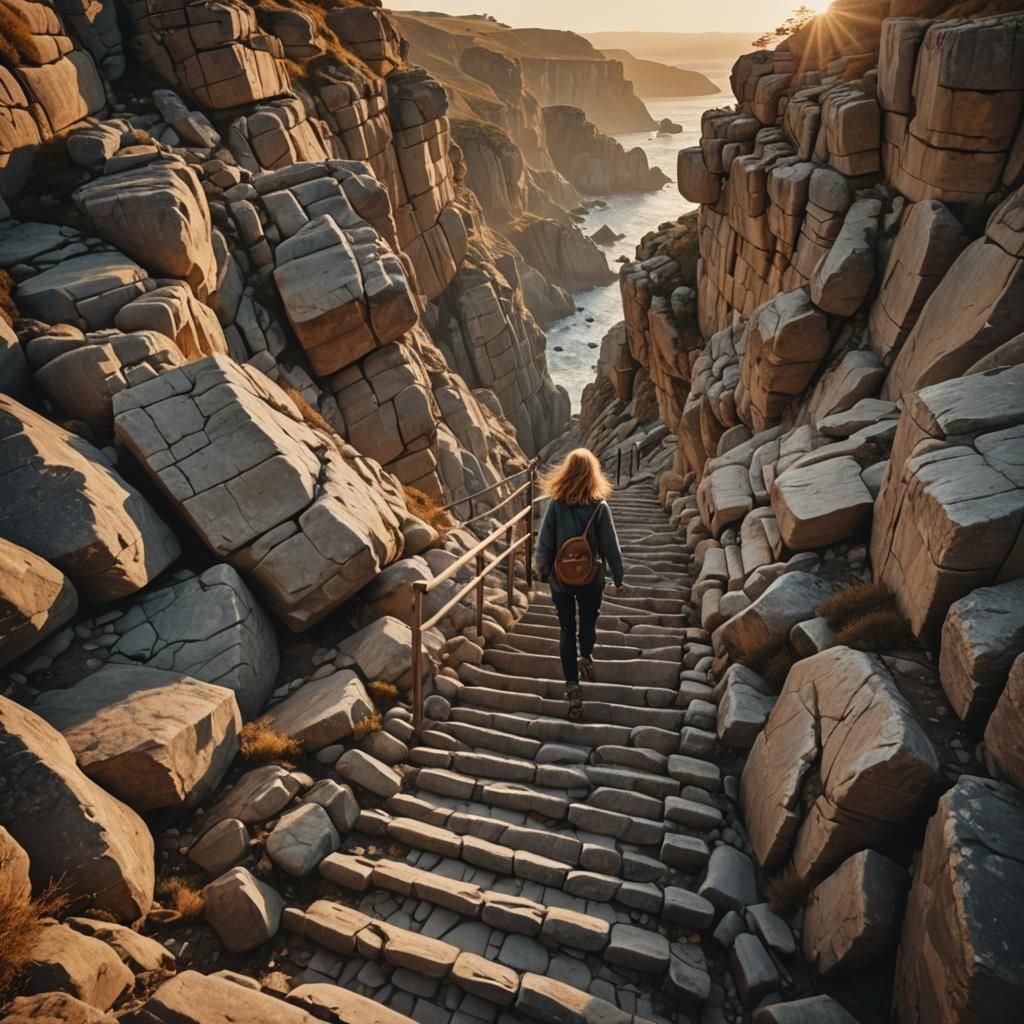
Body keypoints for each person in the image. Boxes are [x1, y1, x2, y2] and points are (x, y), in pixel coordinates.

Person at [534, 448, 625, 721]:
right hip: (591, 578)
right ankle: (585, 655)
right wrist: (618, 576)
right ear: (592, 473)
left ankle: (572, 686)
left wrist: (543, 570)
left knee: (566, 630)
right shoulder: (600, 507)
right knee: (588, 623)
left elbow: (545, 541)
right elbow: (610, 545)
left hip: (561, 579)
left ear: (567, 471)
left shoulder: (556, 504)